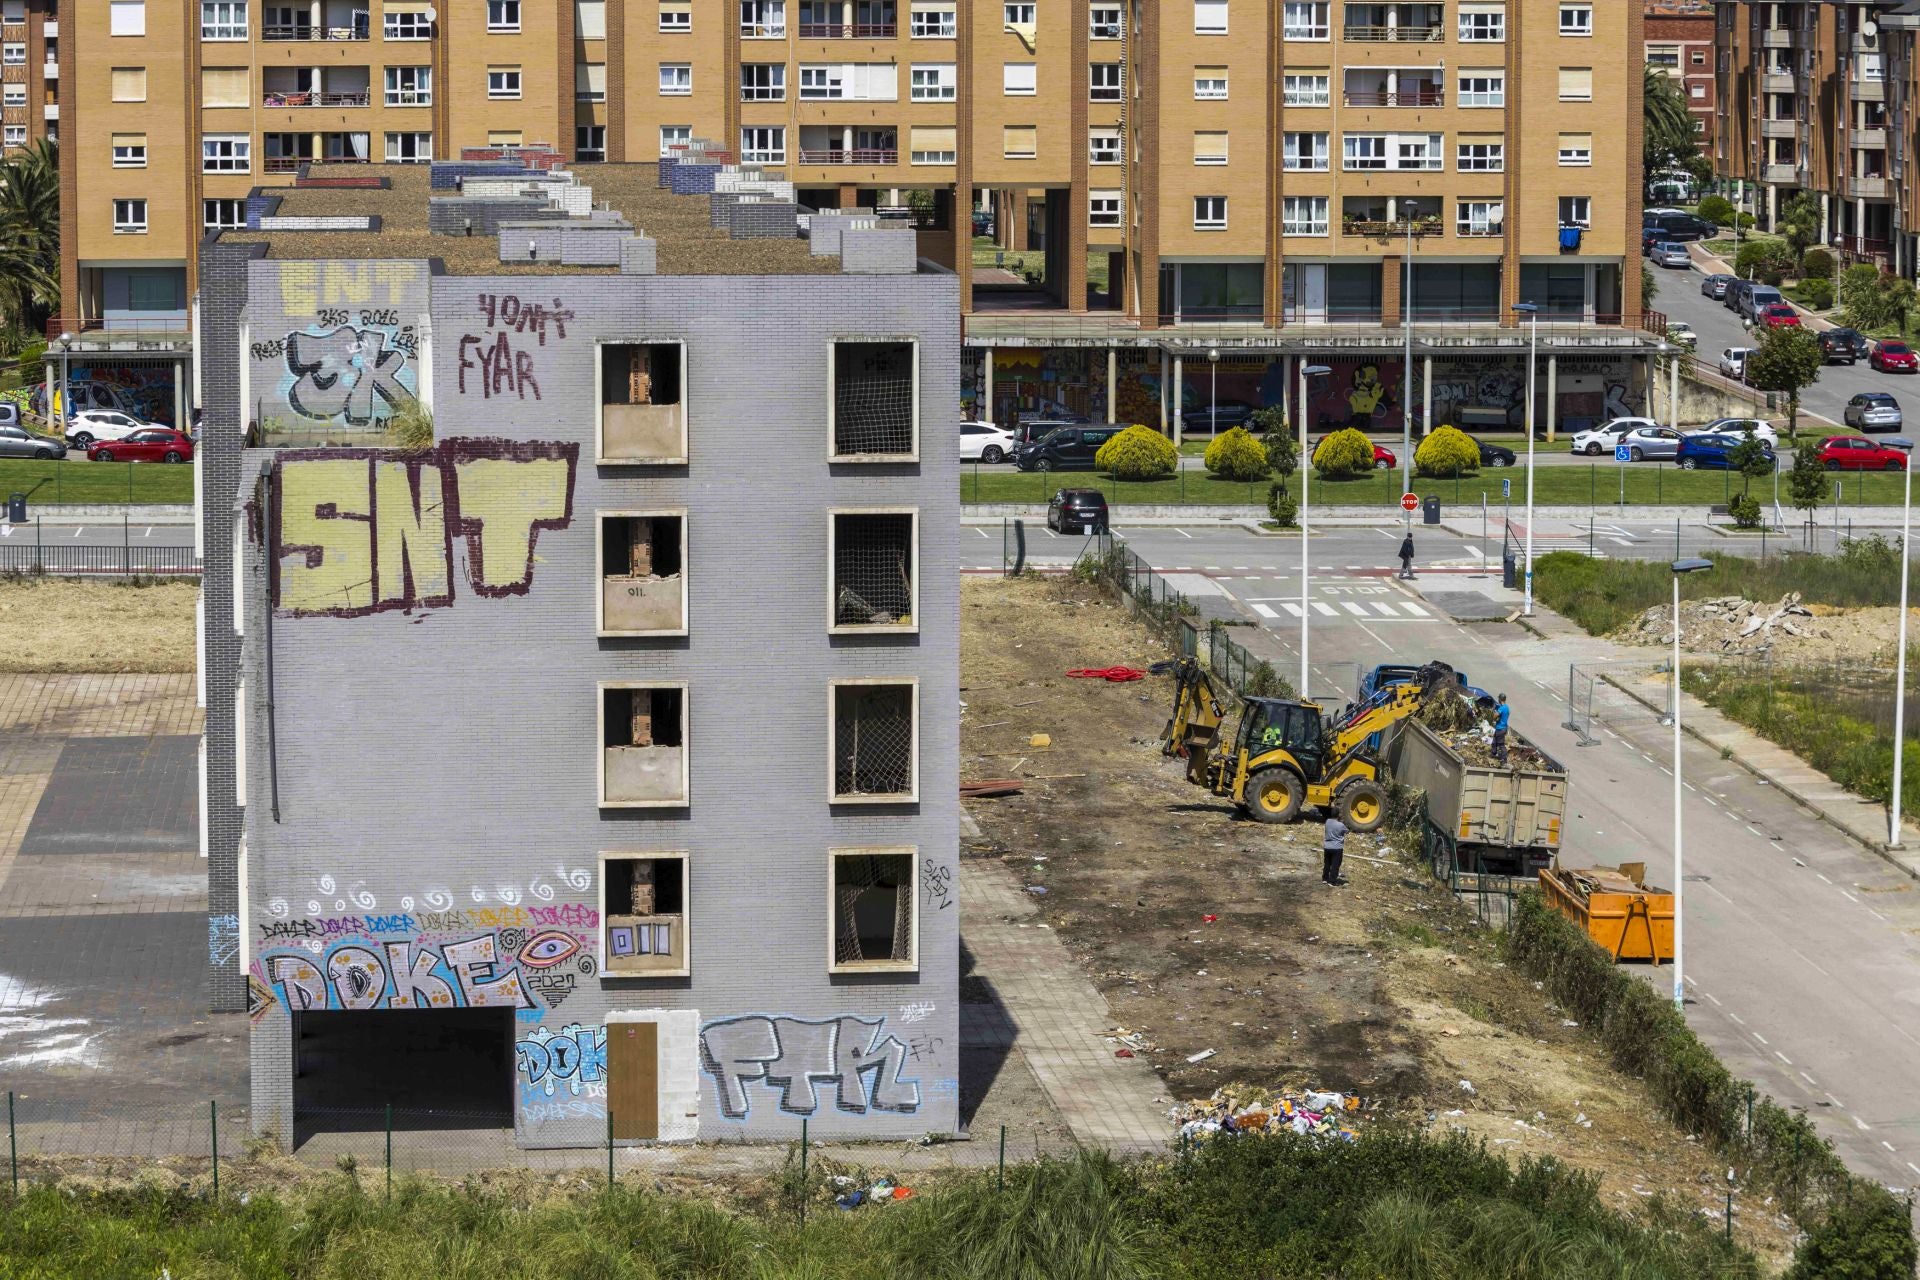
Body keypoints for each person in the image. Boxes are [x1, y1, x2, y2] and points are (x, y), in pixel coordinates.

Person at [1322, 812, 1348, 887]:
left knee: (1327, 864)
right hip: (1337, 848)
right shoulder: (1341, 825)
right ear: (1338, 815)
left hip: (1327, 846)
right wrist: (1342, 821)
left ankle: (1325, 879)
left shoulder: (1327, 821)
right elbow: (1347, 831)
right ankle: (1332, 881)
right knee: (1335, 865)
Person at [1492, 693, 1511, 763]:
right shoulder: (1506, 707)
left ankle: (1504, 758)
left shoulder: (1501, 708)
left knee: (1501, 744)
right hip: (1503, 728)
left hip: (1500, 728)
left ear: (1500, 699)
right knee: (1494, 742)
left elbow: (1495, 716)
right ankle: (1493, 753)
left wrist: (1494, 711)